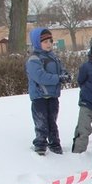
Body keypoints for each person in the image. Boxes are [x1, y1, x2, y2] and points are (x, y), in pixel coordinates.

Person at [26, 27, 69, 155]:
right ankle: (40, 144)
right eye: (45, 42)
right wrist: (58, 78)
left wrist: (64, 75)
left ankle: (54, 143)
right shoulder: (34, 59)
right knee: (41, 121)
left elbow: (61, 69)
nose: (49, 44)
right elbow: (40, 77)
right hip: (39, 96)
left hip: (52, 96)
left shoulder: (54, 57)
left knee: (52, 121)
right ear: (37, 43)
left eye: (50, 41)